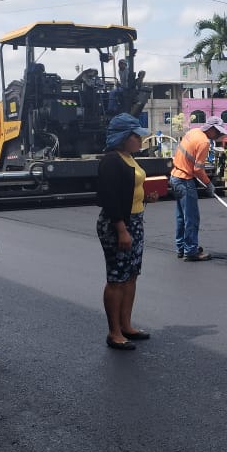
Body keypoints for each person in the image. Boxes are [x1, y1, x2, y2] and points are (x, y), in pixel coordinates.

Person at [96, 114, 154, 351]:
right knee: (117, 278)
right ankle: (114, 332)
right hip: (118, 224)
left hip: (135, 220)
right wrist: (121, 230)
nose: (140, 140)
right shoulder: (111, 161)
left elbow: (130, 189)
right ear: (123, 137)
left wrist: (147, 198)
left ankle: (126, 325)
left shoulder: (129, 157)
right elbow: (110, 199)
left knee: (131, 275)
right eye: (135, 136)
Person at [170, 117, 227, 261]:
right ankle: (191, 250)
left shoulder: (193, 132)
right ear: (211, 128)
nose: (219, 135)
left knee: (181, 217)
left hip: (175, 177)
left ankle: (181, 247)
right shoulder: (204, 142)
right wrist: (209, 184)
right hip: (185, 181)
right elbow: (198, 169)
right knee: (191, 218)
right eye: (218, 132)